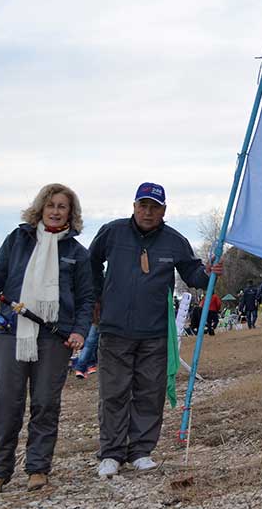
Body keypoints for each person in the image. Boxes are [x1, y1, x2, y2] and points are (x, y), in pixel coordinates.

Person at [0, 183, 93, 495]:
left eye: (63, 206)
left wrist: (79, 331)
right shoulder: (17, 239)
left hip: (55, 337)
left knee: (46, 404)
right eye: (51, 205)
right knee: (4, 403)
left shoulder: (78, 253)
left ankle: (38, 468)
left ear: (71, 213)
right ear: (40, 208)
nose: (56, 211)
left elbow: (87, 299)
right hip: (11, 331)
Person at [89, 182, 222, 478]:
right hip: (114, 329)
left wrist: (209, 272)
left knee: (149, 393)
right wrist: (96, 297)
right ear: (134, 206)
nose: (148, 212)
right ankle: (111, 454)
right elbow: (91, 263)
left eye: (155, 207)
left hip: (155, 332)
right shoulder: (112, 233)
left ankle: (140, 451)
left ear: (164, 210)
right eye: (143, 205)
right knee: (114, 393)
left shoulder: (174, 240)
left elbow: (193, 273)